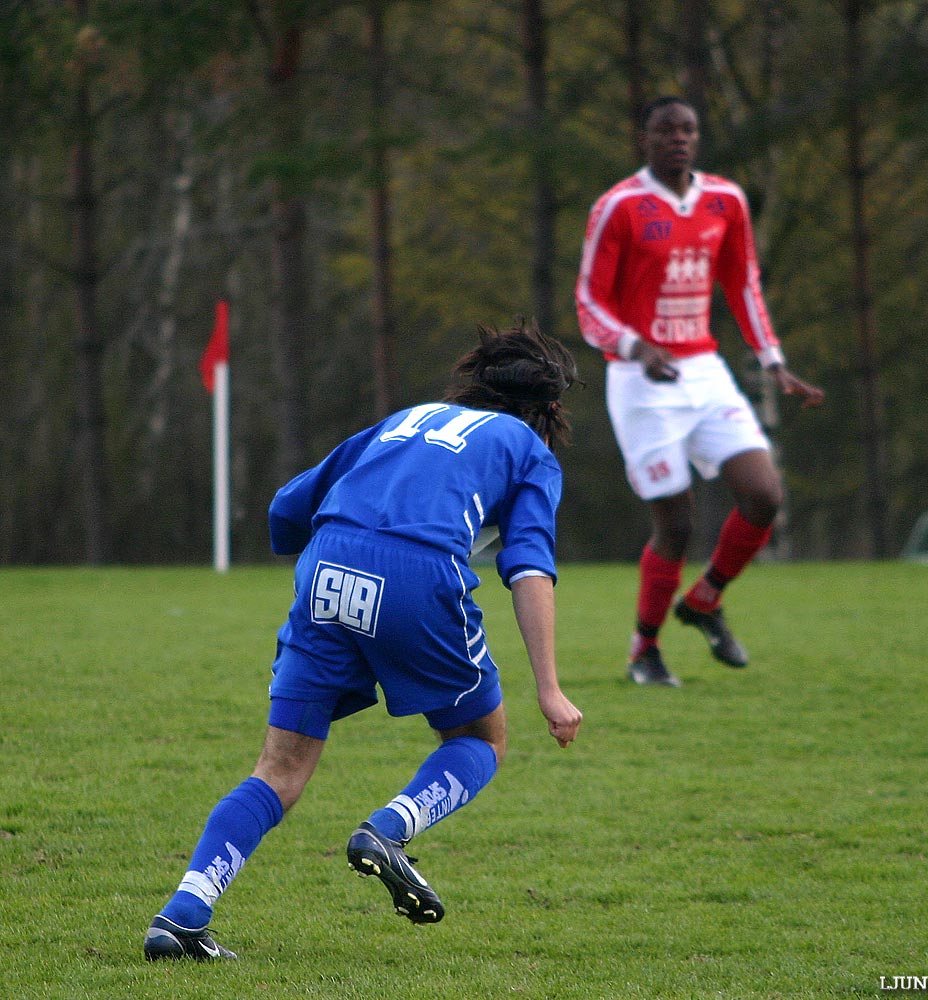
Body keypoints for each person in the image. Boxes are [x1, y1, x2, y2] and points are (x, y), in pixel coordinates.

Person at [144, 321, 583, 961]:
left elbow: (288, 507)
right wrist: (549, 688)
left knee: (281, 767)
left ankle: (182, 915)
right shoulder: (529, 451)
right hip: (418, 574)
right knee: (480, 738)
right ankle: (388, 830)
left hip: (327, 565)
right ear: (547, 409)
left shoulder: (404, 420)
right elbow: (528, 567)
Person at [575, 95, 825, 688]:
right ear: (644, 138)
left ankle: (706, 599)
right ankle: (645, 650)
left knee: (764, 494)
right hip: (640, 381)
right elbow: (588, 301)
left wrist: (773, 361)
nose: (678, 139)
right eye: (665, 130)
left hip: (704, 370)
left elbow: (743, 282)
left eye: (687, 130)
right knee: (678, 522)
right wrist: (636, 347)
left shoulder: (725, 199)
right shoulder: (619, 206)